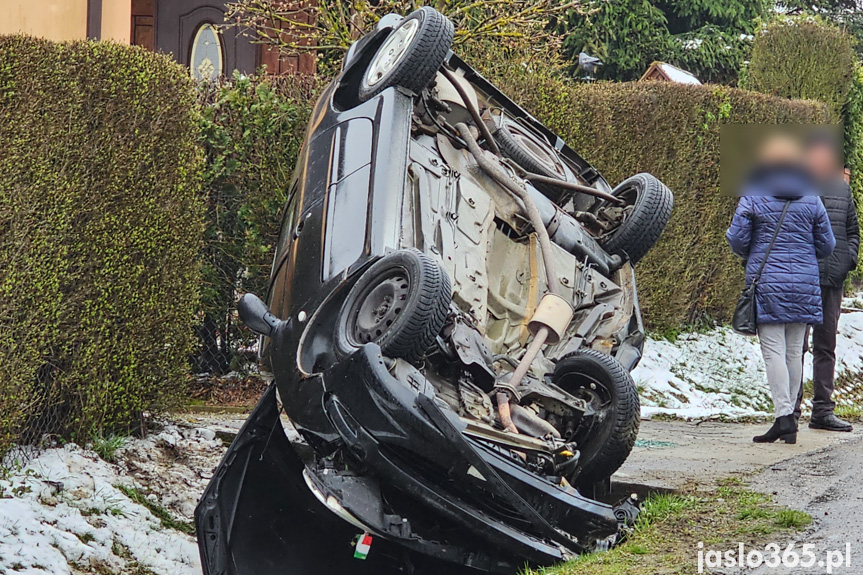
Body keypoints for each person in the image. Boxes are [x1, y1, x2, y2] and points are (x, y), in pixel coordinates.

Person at [726, 135, 835, 444]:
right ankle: (789, 421)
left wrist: (753, 248)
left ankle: (784, 417)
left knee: (773, 351)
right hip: (804, 285)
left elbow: (736, 239)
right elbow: (827, 245)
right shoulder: (811, 196)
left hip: (769, 284)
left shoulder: (755, 193)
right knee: (793, 352)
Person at [792, 137, 860, 432]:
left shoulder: (842, 189)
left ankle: (822, 411)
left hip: (832, 279)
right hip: (801, 279)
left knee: (826, 346)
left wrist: (849, 259)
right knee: (796, 347)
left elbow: (853, 229)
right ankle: (789, 412)